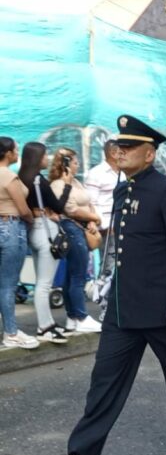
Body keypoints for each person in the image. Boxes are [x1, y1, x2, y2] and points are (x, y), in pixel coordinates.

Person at [42, 115, 166, 455]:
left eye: (129, 146)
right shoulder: (123, 190)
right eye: (119, 145)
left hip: (165, 307)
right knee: (103, 383)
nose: (120, 151)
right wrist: (105, 277)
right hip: (123, 306)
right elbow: (117, 243)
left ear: (149, 154)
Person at [19, 142, 72, 343]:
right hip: (45, 231)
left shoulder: (22, 178)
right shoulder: (38, 181)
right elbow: (58, 207)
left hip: (32, 231)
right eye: (44, 155)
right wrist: (66, 185)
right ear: (37, 158)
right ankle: (44, 327)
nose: (47, 158)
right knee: (44, 284)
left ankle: (48, 323)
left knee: (41, 281)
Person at [50, 148, 104, 334]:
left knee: (72, 275)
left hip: (83, 227)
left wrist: (91, 220)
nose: (77, 164)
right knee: (77, 276)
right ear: (65, 165)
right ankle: (80, 316)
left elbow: (87, 203)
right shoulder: (58, 185)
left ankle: (73, 317)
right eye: (74, 162)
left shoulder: (77, 182)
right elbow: (70, 209)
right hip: (72, 228)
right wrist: (94, 218)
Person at [0, 137, 38, 349]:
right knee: (7, 284)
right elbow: (23, 209)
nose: (17, 153)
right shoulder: (9, 177)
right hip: (11, 227)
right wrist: (32, 220)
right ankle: (11, 332)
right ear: (7, 153)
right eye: (15, 150)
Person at [84, 140, 122, 278]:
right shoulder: (96, 173)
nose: (124, 154)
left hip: (123, 225)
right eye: (121, 151)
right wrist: (105, 225)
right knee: (109, 265)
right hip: (107, 228)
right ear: (112, 153)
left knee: (121, 264)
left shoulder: (123, 173)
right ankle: (104, 297)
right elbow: (91, 203)